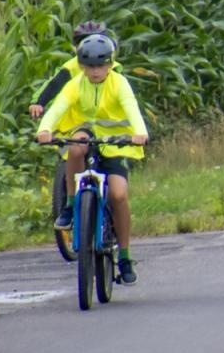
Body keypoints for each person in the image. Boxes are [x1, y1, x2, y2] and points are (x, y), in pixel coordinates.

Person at [36, 33, 150, 284]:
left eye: (100, 65)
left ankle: (125, 257)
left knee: (118, 195)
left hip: (117, 142)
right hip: (89, 134)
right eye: (90, 66)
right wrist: (45, 130)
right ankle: (69, 205)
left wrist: (140, 133)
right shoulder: (77, 83)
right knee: (75, 149)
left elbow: (131, 108)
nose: (96, 71)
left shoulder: (119, 83)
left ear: (110, 64)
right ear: (82, 66)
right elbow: (59, 107)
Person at [29, 19, 111, 123]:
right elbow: (53, 86)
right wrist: (38, 104)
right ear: (77, 48)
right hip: (74, 121)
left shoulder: (113, 67)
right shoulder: (70, 68)